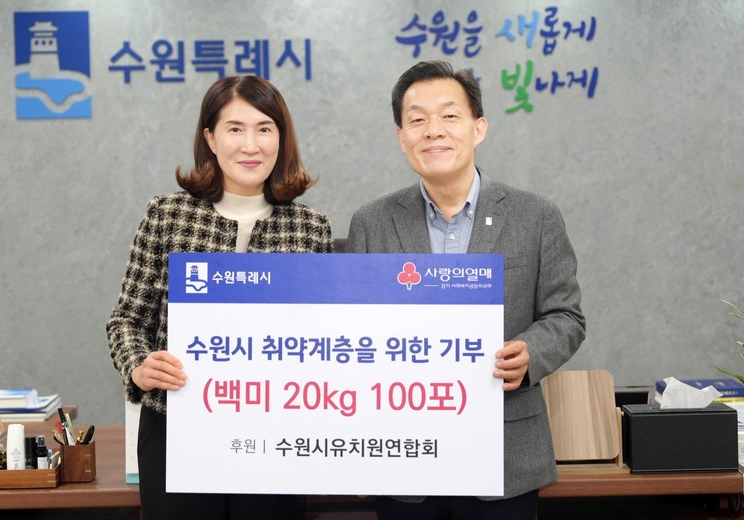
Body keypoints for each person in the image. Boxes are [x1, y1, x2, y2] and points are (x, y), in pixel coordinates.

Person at [346, 60, 586, 519]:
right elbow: (353, 334)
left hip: (504, 452)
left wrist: (530, 352)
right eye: (417, 119)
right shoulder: (372, 222)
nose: (433, 130)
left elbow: (566, 316)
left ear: (479, 129)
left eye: (449, 115)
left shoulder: (535, 216)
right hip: (402, 454)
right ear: (401, 137)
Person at [107, 75, 332, 520]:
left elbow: (321, 336)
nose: (251, 145)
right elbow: (126, 321)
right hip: (177, 425)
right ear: (210, 138)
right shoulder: (167, 216)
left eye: (264, 129)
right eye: (234, 129)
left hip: (275, 432)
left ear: (281, 138)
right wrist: (139, 365)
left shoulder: (310, 228)